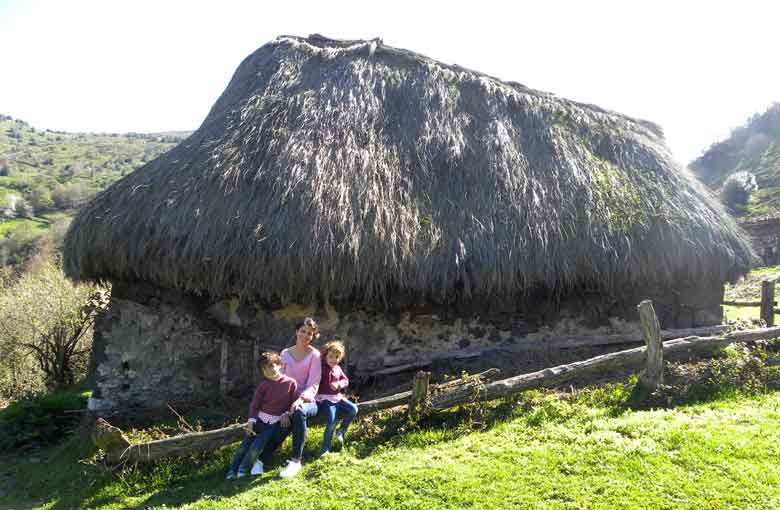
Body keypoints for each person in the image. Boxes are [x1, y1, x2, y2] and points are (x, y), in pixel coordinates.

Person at [226, 351, 297, 480]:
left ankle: (243, 469)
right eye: (264, 369)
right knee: (245, 445)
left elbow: (293, 402)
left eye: (271, 366)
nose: (268, 371)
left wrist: (286, 413)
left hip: (274, 422)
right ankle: (232, 471)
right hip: (259, 420)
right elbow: (254, 405)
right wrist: (251, 421)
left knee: (257, 446)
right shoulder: (263, 385)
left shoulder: (290, 383)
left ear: (279, 365)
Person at [276, 317, 322, 478]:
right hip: (287, 401)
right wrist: (283, 408)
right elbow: (281, 382)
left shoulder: (315, 355)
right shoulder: (285, 354)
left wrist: (300, 400)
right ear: (297, 332)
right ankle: (259, 459)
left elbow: (313, 384)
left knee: (298, 412)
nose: (305, 335)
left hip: (308, 401)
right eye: (303, 331)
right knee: (279, 422)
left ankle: (296, 461)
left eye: (310, 333)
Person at [316, 340, 358, 456]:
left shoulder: (338, 368)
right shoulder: (321, 369)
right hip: (326, 399)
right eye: (330, 357)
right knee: (331, 421)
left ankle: (341, 430)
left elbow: (346, 380)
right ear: (325, 356)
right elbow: (314, 382)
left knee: (353, 409)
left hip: (337, 397)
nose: (333, 360)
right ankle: (325, 448)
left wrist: (339, 384)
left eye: (337, 357)